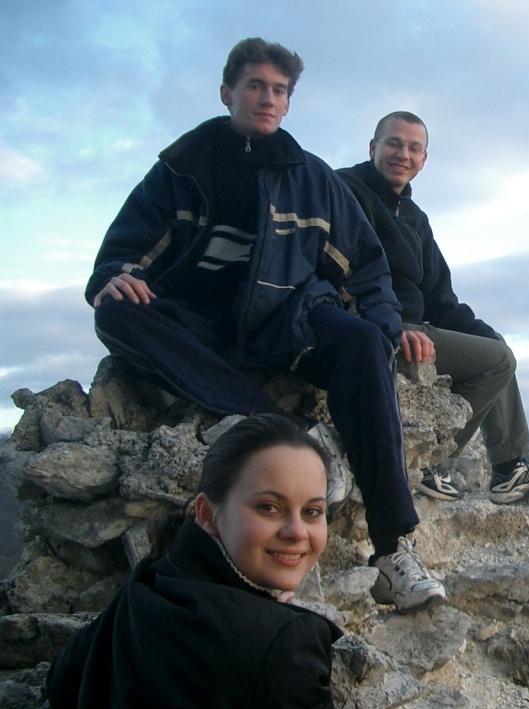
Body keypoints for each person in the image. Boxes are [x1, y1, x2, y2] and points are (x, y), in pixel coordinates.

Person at [85, 40, 443, 612]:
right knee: (116, 310)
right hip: (200, 323)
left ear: (289, 102)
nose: (268, 99)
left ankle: (393, 547)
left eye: (279, 90)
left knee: (362, 341)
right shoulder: (181, 167)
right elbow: (123, 252)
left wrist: (386, 329)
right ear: (227, 93)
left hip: (289, 318)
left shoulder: (312, 178)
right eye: (256, 86)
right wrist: (115, 276)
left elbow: (367, 269)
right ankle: (264, 416)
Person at [46, 414, 425, 709]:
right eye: (269, 507)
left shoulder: (150, 582)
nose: (297, 531)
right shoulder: (282, 643)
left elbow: (62, 685)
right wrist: (267, 624)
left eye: (312, 511)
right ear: (208, 514)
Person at [337, 112, 529, 504]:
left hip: (413, 325)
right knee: (497, 361)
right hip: (371, 323)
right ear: (374, 147)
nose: (403, 155)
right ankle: (424, 460)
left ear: (424, 160)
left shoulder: (415, 219)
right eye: (394, 143)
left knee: (495, 347)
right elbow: (340, 270)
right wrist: (389, 325)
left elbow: (440, 298)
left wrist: (485, 334)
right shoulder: (344, 191)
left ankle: (509, 468)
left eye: (414, 148)